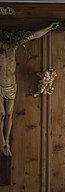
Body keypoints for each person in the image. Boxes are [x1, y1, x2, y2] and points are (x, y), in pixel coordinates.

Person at [0, 22, 59, 157]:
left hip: (11, 85)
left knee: (9, 114)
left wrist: (49, 27)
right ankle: (2, 142)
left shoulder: (13, 46)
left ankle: (7, 141)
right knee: (1, 115)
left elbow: (33, 35)